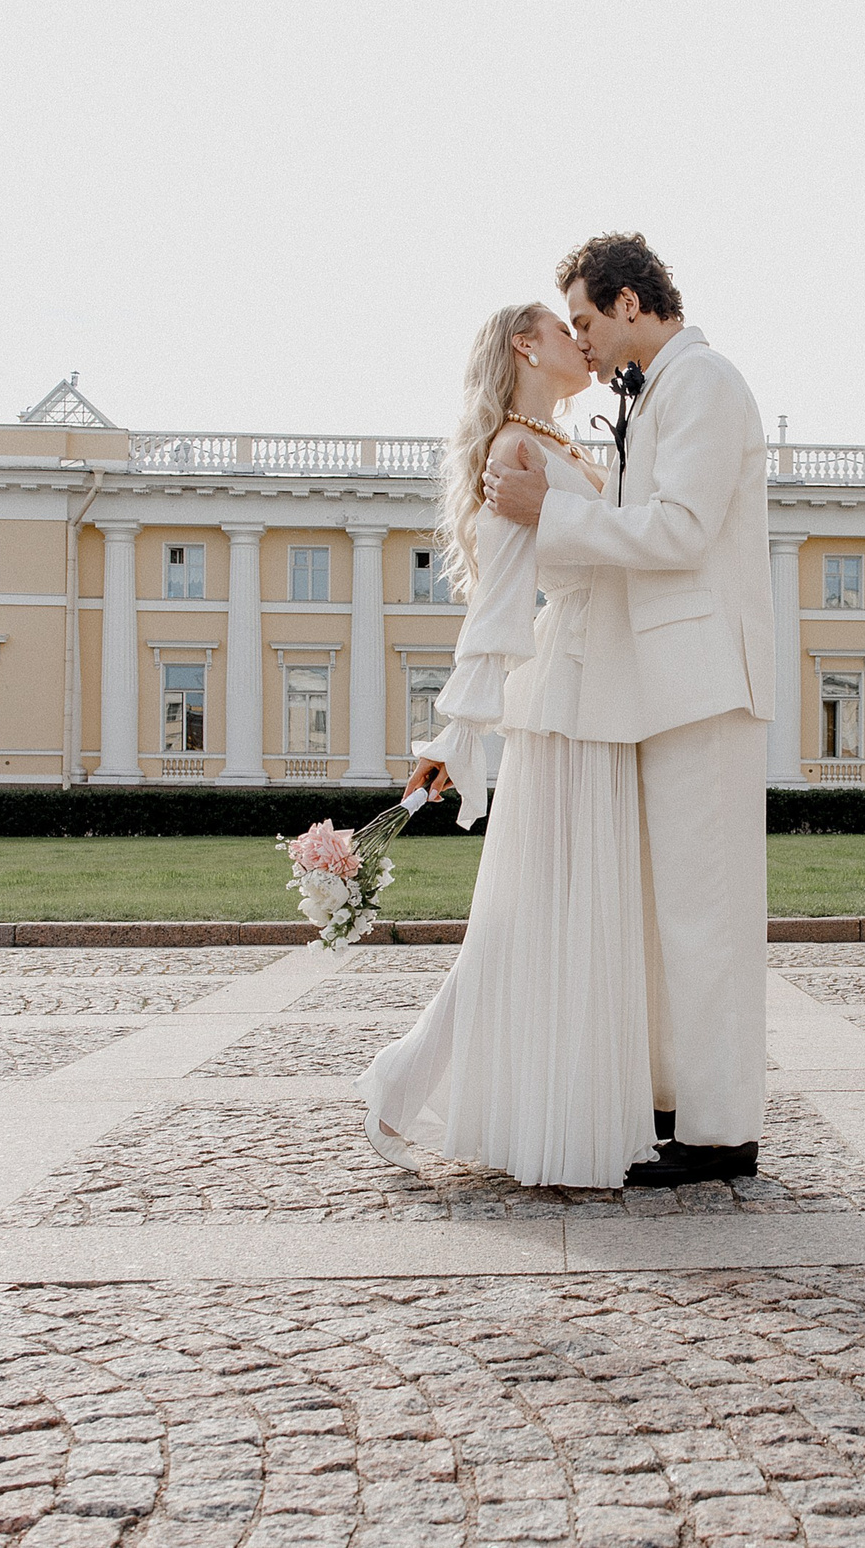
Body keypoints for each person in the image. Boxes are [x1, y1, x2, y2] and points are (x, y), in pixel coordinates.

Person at [480, 233, 774, 1189]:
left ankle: (722, 1130)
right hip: (662, 684)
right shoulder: (654, 394)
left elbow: (682, 530)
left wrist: (548, 513)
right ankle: (672, 1106)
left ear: (632, 305)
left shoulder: (705, 383)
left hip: (704, 684)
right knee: (665, 915)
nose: (584, 343)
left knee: (706, 915)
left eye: (586, 322)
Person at [355, 300, 662, 1189]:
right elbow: (496, 611)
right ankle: (400, 1082)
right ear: (528, 345)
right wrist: (453, 735)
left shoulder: (561, 447)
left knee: (569, 917)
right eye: (568, 329)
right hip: (563, 700)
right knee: (527, 917)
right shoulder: (515, 454)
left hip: (599, 694)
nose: (585, 340)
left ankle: (560, 1113)